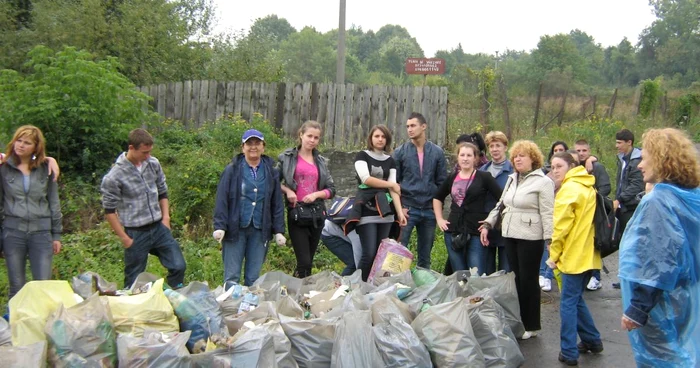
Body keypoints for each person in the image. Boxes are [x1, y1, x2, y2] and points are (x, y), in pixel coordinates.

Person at [619, 128, 700, 367]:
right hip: (682, 294)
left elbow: (658, 260)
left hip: (659, 301)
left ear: (662, 159)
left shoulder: (659, 202)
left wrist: (637, 308)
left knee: (662, 358)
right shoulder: (688, 196)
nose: (640, 165)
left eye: (645, 158)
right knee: (678, 351)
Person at [480, 140, 554, 339]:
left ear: (533, 159)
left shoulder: (543, 181)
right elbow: (500, 205)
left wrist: (550, 240)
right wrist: (488, 224)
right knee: (516, 279)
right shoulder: (513, 179)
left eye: (522, 155)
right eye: (515, 156)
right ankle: (520, 320)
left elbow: (548, 213)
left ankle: (532, 325)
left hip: (531, 236)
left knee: (529, 281)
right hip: (510, 234)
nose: (518, 159)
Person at [101, 128, 186, 289]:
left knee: (178, 265)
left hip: (158, 227)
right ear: (131, 148)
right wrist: (124, 237)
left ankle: (175, 296)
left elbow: (163, 192)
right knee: (134, 279)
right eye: (144, 152)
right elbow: (109, 211)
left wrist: (166, 218)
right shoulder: (114, 176)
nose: (147, 156)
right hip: (135, 232)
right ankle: (133, 307)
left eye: (149, 152)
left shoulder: (153, 164)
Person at [545, 152, 603, 366]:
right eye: (552, 166)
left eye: (559, 166)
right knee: (576, 298)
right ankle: (593, 340)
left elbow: (561, 229)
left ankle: (568, 352)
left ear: (571, 165)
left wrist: (553, 256)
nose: (555, 170)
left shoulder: (568, 189)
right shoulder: (587, 184)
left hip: (573, 255)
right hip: (589, 255)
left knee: (568, 303)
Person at [213, 129, 286, 286]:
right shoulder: (232, 170)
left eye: (257, 143)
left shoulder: (271, 171)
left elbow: (277, 203)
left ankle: (248, 310)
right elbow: (222, 199)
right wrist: (220, 226)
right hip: (235, 229)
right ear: (243, 147)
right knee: (232, 277)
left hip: (260, 230)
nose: (253, 147)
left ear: (263, 147)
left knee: (253, 279)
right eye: (249, 143)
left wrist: (279, 230)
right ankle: (231, 309)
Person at [0, 125, 63, 300]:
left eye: (27, 143)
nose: (21, 145)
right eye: (18, 141)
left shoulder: (46, 168)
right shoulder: (4, 168)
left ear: (36, 147)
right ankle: (16, 325)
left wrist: (56, 234)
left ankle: (40, 325)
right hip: (13, 232)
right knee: (17, 286)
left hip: (41, 232)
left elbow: (54, 202)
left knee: (42, 285)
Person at [344, 125, 406, 281]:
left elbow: (394, 188)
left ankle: (372, 287)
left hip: (386, 212)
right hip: (366, 209)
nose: (380, 139)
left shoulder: (390, 161)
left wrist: (399, 213)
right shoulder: (362, 156)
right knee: (369, 253)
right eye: (377, 136)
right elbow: (366, 179)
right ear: (371, 138)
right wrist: (391, 184)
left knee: (381, 254)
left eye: (383, 137)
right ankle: (358, 285)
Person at [278, 121, 336, 278]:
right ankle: (298, 292)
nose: (312, 140)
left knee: (308, 261)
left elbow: (331, 189)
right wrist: (288, 190)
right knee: (304, 261)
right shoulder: (287, 158)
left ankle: (302, 295)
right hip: (297, 213)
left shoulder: (321, 161)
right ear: (301, 135)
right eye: (309, 136)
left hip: (317, 213)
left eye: (316, 138)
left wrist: (316, 194)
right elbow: (272, 182)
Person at [434, 142, 501, 274]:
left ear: (475, 158)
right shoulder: (452, 177)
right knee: (459, 273)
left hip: (476, 231)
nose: (465, 158)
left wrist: (489, 222)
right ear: (457, 157)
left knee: (476, 272)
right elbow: (437, 197)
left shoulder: (484, 177)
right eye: (462, 155)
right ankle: (462, 295)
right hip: (453, 230)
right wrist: (439, 219)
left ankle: (476, 295)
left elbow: (502, 199)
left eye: (469, 155)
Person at [394, 112, 447, 269]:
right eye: (407, 126)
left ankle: (423, 288)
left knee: (425, 255)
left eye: (413, 125)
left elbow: (442, 183)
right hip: (408, 209)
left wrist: (437, 209)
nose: (409, 129)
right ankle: (396, 284)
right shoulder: (400, 152)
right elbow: (393, 183)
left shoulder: (437, 152)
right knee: (399, 252)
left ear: (423, 127)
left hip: (429, 210)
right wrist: (400, 208)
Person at [574, 139, 611, 291]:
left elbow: (606, 187)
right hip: (578, 213)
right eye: (578, 151)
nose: (581, 154)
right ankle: (584, 275)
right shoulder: (574, 167)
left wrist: (592, 201)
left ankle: (596, 276)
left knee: (594, 244)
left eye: (584, 151)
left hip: (594, 212)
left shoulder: (597, 167)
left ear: (589, 151)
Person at [480, 131, 514, 275]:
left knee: (505, 270)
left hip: (506, 226)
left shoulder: (513, 170)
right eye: (491, 146)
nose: (494, 149)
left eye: (498, 146)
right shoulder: (482, 171)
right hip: (486, 225)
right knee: (487, 271)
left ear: (505, 147)